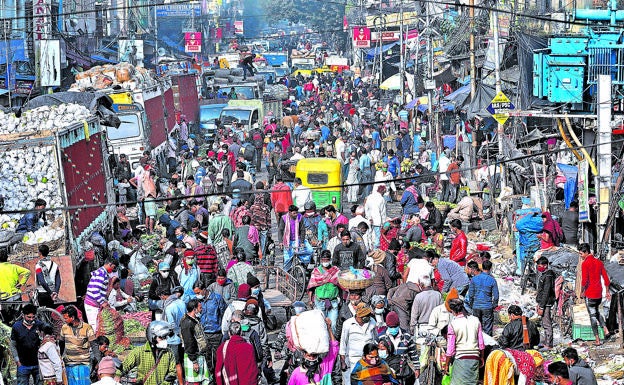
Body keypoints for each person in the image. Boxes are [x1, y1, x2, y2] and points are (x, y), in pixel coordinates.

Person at [116, 321, 177, 385]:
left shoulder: (168, 352)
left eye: (165, 337)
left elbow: (172, 372)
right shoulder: (139, 351)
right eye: (161, 337)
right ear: (152, 337)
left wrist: (165, 383)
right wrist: (117, 376)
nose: (164, 340)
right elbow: (124, 366)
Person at [443, 299, 485, 385]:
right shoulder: (475, 320)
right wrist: (481, 357)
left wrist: (446, 365)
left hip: (461, 359)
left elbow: (450, 349)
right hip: (474, 358)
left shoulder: (453, 324)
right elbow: (481, 344)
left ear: (452, 311)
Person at [287, 318, 338, 385]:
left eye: (314, 355)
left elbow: (334, 347)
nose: (311, 358)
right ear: (303, 355)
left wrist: (329, 329)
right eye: (309, 355)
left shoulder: (324, 368)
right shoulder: (296, 373)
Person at [579, 243, 612, 345]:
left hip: (590, 293)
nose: (580, 256)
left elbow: (584, 280)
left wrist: (582, 291)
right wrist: (607, 291)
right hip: (599, 293)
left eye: (581, 254)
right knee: (597, 312)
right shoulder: (599, 262)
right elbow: (606, 279)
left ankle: (597, 339)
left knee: (592, 316)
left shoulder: (585, 264)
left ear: (586, 252)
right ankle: (605, 329)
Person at [339, 303, 376, 385]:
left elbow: (375, 339)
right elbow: (343, 343)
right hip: (353, 360)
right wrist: (342, 361)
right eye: (366, 315)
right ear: (359, 315)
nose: (368, 316)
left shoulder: (372, 322)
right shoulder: (348, 324)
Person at [60, 305, 96, 385]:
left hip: (83, 363)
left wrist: (99, 361)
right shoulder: (64, 327)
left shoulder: (87, 328)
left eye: (66, 318)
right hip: (69, 364)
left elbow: (94, 345)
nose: (64, 320)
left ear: (72, 317)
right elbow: (61, 343)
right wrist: (60, 357)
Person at [307, 250, 341, 332]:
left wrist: (342, 299)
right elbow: (311, 286)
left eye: (327, 260)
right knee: (321, 325)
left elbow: (340, 286)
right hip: (319, 301)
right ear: (321, 260)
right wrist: (310, 300)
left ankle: (332, 343)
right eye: (323, 260)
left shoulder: (336, 271)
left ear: (330, 260)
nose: (325, 262)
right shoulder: (316, 272)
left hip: (333, 302)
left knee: (333, 324)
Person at [180, 299, 212, 385]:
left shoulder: (194, 320)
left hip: (198, 354)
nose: (201, 309)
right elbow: (189, 342)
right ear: (194, 309)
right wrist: (194, 361)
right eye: (200, 308)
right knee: (194, 382)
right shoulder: (187, 323)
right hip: (193, 356)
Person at [11, 304, 43, 385]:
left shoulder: (39, 325)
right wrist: (17, 361)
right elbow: (13, 345)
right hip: (23, 365)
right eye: (28, 317)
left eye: (33, 317)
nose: (31, 319)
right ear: (23, 315)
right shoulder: (16, 327)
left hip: (38, 364)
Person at [465, 260, 498, 336]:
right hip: (487, 306)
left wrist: (472, 304)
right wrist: (494, 305)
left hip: (476, 306)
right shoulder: (492, 280)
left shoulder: (474, 279)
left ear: (482, 267)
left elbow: (471, 294)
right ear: (490, 268)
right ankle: (487, 344)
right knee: (487, 327)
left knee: (477, 326)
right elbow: (496, 296)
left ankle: (478, 343)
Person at [84, 258, 118, 328]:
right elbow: (95, 290)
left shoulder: (102, 272)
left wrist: (104, 301)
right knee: (94, 327)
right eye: (113, 267)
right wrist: (102, 302)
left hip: (94, 304)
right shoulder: (101, 273)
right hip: (92, 304)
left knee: (97, 326)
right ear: (110, 264)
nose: (112, 270)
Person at [279, 205, 311, 272]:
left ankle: (304, 266)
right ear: (290, 212)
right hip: (288, 242)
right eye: (294, 213)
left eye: (296, 213)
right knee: (287, 259)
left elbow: (302, 230)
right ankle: (286, 274)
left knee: (309, 250)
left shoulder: (300, 217)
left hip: (298, 240)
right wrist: (280, 242)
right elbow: (281, 230)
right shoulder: (284, 218)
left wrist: (302, 242)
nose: (296, 214)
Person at [535, 256, 556, 350]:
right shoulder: (545, 274)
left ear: (545, 265)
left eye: (540, 266)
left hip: (546, 303)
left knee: (547, 323)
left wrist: (542, 306)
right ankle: (546, 342)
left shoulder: (548, 276)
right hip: (543, 302)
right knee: (544, 323)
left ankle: (549, 345)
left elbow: (546, 292)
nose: (539, 267)